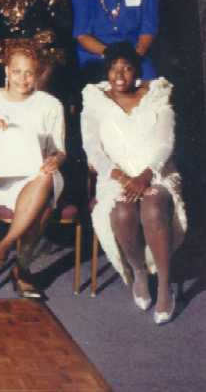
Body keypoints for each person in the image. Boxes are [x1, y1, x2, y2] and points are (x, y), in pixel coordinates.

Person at [82, 43, 185, 325]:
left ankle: (164, 286)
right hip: (115, 177)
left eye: (126, 68)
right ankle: (139, 272)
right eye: (114, 68)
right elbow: (93, 150)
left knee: (152, 207)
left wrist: (145, 175)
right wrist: (123, 177)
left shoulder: (156, 97)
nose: (120, 74)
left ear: (137, 71)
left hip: (156, 173)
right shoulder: (94, 103)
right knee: (123, 211)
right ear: (106, 72)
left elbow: (167, 143)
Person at [0, 45, 66, 299]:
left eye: (29, 73)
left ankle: (3, 246)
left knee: (44, 181)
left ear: (38, 74)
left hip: (40, 173)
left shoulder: (50, 105)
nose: (23, 79)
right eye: (17, 72)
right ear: (6, 71)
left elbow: (60, 151)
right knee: (41, 206)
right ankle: (21, 270)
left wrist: (55, 161)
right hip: (2, 179)